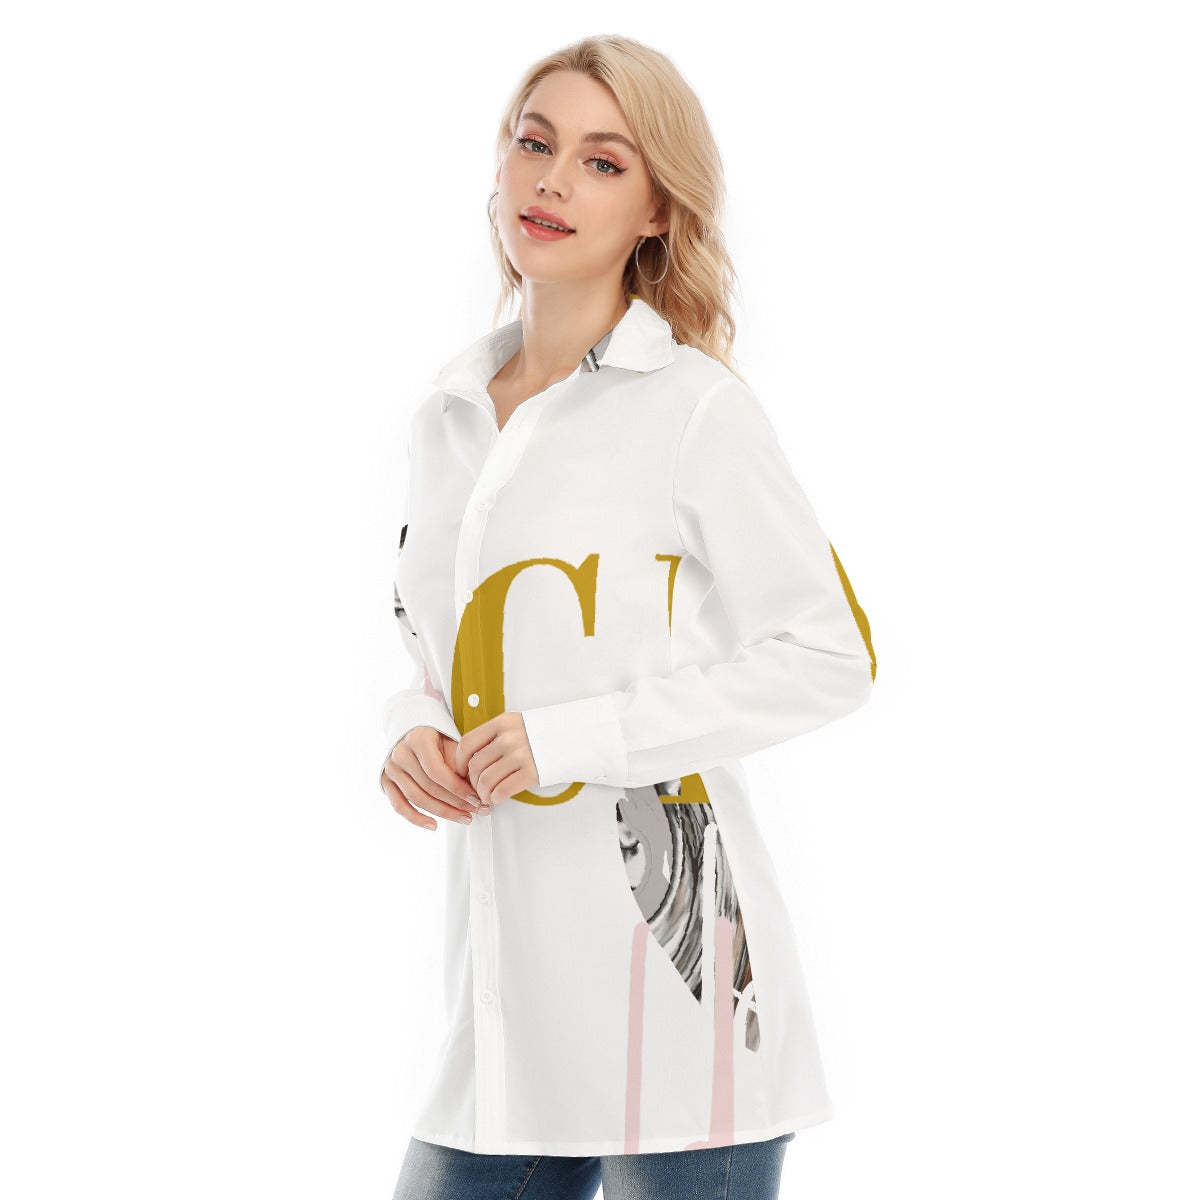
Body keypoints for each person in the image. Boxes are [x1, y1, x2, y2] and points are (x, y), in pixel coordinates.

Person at [379, 34, 877, 1200]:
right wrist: (412, 725)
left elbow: (830, 655)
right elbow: (437, 644)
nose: (553, 181)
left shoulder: (692, 409)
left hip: (682, 1003)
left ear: (658, 210)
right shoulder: (446, 417)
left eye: (603, 163)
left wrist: (572, 738)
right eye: (535, 143)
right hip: (504, 1017)